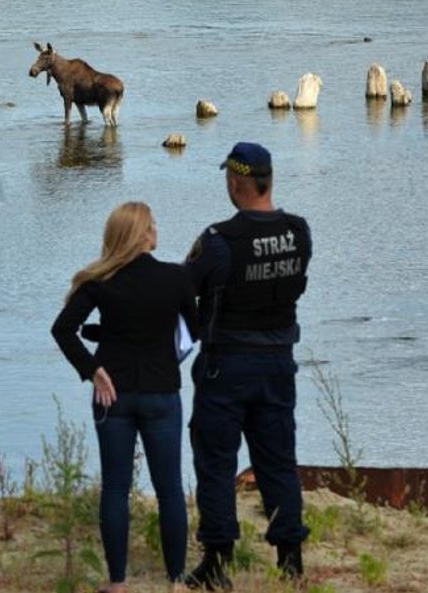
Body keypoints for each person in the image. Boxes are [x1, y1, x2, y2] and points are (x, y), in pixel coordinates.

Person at [51, 202, 198, 593]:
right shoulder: (176, 278)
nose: (157, 231)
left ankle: (117, 583)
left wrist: (92, 369)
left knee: (115, 488)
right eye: (153, 226)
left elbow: (63, 329)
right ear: (144, 235)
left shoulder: (100, 281)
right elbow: (194, 329)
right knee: (169, 488)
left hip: (112, 392)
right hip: (161, 391)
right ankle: (176, 582)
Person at [183, 142, 312, 590]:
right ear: (269, 181)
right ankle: (291, 558)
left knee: (216, 461)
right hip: (279, 362)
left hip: (227, 366)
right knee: (278, 460)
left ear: (235, 182)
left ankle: (218, 561)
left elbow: (185, 288)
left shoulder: (219, 241)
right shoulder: (299, 232)